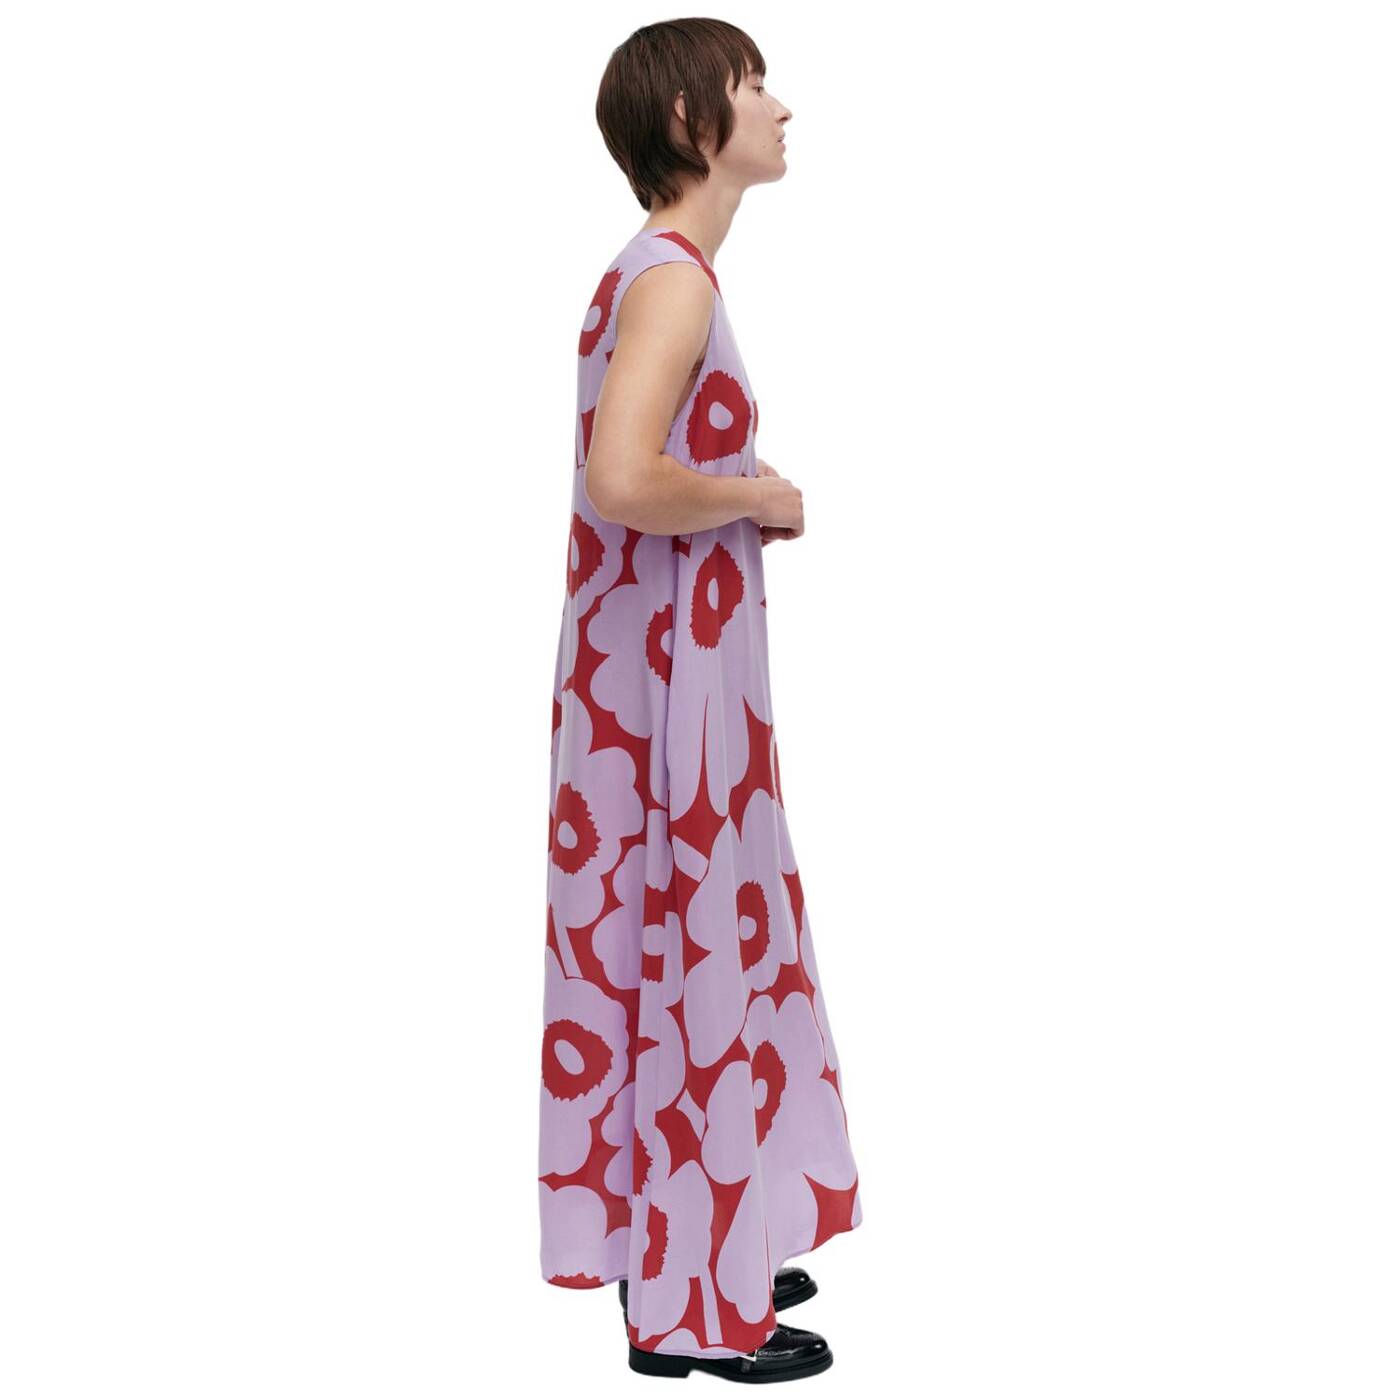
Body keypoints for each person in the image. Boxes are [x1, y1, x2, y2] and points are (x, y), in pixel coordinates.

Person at [538, 19, 862, 1384]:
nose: (781, 108)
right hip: (669, 683)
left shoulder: (658, 273)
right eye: (752, 86)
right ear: (692, 123)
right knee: (689, 945)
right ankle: (689, 1299)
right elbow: (622, 479)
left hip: (656, 672)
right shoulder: (672, 280)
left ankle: (685, 1240)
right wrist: (756, 496)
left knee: (658, 942)